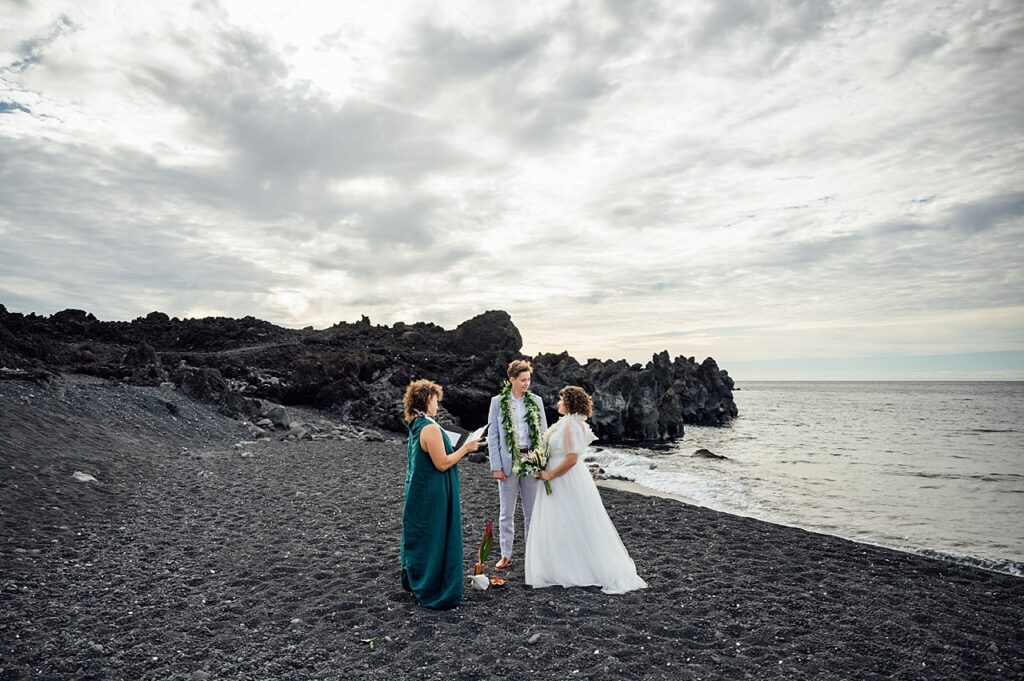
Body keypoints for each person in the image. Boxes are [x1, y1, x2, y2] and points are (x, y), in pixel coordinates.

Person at [525, 386, 648, 594]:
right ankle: (558, 565)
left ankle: (575, 568)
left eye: (561, 400)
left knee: (570, 520)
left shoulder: (573, 425)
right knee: (559, 521)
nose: (558, 403)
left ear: (569, 403)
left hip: (565, 478)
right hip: (557, 476)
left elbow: (572, 458)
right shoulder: (565, 423)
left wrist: (550, 474)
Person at [400, 379, 480, 609]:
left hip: (420, 488)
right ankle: (433, 586)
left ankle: (419, 579)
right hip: (434, 491)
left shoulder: (417, 424)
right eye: (436, 400)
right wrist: (466, 448)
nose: (438, 404)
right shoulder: (431, 428)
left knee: (425, 534)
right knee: (436, 536)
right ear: (427, 399)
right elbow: (442, 463)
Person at [487, 359, 548, 570]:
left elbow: (543, 434)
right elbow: (492, 435)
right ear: (511, 379)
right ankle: (506, 555)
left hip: (531, 460)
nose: (526, 384)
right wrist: (496, 466)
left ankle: (532, 555)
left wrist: (541, 463)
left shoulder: (536, 401)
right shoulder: (497, 402)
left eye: (528, 379)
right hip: (507, 462)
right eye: (522, 380)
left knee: (531, 512)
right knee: (506, 513)